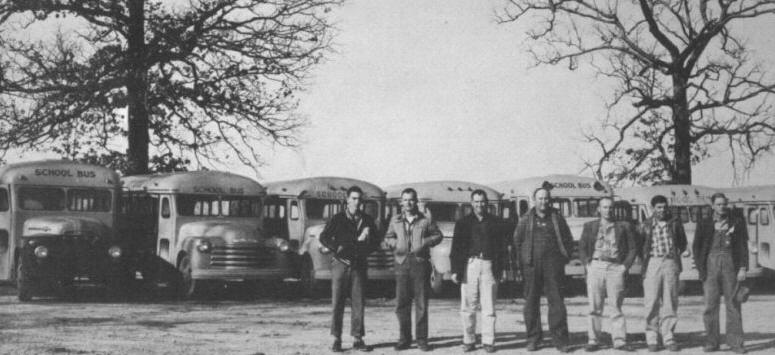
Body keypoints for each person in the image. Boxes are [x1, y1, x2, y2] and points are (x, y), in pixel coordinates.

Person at [512, 187, 573, 352]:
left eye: (546, 198)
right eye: (540, 198)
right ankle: (533, 339)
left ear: (550, 200)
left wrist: (563, 258)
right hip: (531, 266)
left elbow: (568, 239)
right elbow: (517, 242)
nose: (543, 202)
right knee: (531, 304)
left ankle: (560, 340)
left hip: (553, 267)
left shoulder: (557, 218)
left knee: (557, 303)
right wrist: (522, 264)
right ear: (534, 200)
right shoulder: (525, 219)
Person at [383, 188, 443, 351]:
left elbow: (438, 235)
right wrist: (393, 243)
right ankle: (404, 339)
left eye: (411, 200)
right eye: (405, 200)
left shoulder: (425, 220)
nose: (408, 203)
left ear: (416, 201)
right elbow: (388, 237)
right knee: (402, 303)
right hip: (401, 263)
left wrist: (425, 241)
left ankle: (422, 340)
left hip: (420, 263)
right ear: (401, 202)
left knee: (421, 303)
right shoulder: (395, 220)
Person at [319, 186, 377, 352]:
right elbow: (324, 237)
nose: (357, 202)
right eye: (353, 198)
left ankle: (358, 338)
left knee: (358, 302)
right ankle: (336, 338)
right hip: (340, 265)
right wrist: (336, 247)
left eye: (359, 199)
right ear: (347, 200)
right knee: (337, 302)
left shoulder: (367, 220)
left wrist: (364, 250)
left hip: (359, 265)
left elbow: (375, 241)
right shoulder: (338, 218)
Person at [450, 189, 509, 353]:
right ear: (471, 203)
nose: (479, 204)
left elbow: (503, 248)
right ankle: (468, 340)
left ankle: (488, 341)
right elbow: (456, 248)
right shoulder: (463, 223)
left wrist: (503, 269)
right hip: (470, 265)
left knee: (489, 306)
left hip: (489, 265)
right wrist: (455, 270)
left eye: (482, 201)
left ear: (487, 203)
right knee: (468, 306)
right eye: (476, 201)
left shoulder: (496, 222)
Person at [578, 196, 638, 351]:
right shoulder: (590, 226)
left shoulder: (623, 227)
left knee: (616, 306)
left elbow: (633, 248)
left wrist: (624, 267)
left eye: (610, 207)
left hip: (615, 268)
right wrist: (587, 264)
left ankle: (619, 340)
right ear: (599, 209)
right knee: (594, 306)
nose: (608, 210)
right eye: (604, 207)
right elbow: (582, 247)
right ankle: (593, 340)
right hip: (596, 266)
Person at [693, 192, 748, 354]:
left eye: (724, 204)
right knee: (710, 305)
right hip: (710, 265)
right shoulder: (704, 223)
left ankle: (736, 342)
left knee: (733, 304)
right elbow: (697, 247)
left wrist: (743, 267)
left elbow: (743, 246)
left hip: (731, 264)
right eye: (718, 204)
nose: (721, 207)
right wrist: (701, 268)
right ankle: (711, 341)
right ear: (712, 206)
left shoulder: (737, 222)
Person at [640, 194, 687, 352]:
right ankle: (652, 337)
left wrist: (675, 256)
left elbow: (683, 242)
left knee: (670, 300)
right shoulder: (645, 225)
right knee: (651, 300)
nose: (662, 210)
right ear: (653, 208)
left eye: (664, 207)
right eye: (659, 207)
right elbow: (641, 246)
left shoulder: (674, 223)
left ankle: (668, 336)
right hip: (652, 262)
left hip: (670, 262)